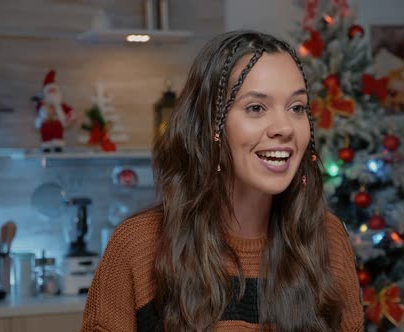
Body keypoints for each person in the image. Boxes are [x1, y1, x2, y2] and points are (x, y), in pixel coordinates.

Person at [81, 30, 363, 332]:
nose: (285, 127)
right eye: (256, 108)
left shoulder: (327, 239)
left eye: (297, 108)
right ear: (211, 125)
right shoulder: (138, 246)